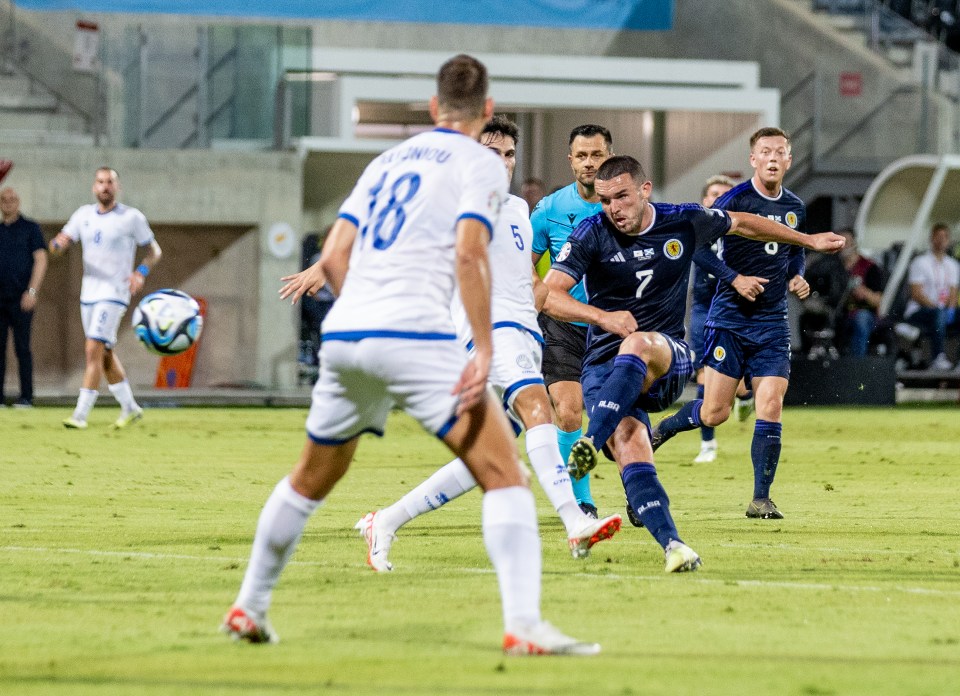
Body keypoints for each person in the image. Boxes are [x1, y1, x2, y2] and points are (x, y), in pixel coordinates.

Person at [221, 55, 599, 656]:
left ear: (432, 108)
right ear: (488, 112)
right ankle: (525, 626)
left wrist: (363, 318)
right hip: (419, 336)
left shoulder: (386, 161)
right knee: (504, 472)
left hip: (346, 336)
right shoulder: (480, 164)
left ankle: (249, 605)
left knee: (310, 476)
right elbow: (470, 256)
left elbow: (335, 256)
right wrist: (480, 346)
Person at [548, 155, 842, 570]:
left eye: (622, 196)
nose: (613, 208)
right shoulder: (591, 233)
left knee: (637, 344)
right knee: (633, 445)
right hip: (603, 367)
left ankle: (590, 443)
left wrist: (807, 241)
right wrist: (601, 317)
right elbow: (548, 295)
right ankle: (674, 547)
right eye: (605, 200)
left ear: (645, 190)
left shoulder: (682, 219)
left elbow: (742, 222)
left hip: (667, 355)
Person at [354, 116, 621, 573]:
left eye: (509, 154)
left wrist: (591, 313)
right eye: (491, 153)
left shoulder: (518, 209)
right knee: (540, 406)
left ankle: (387, 520)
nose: (503, 162)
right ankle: (575, 519)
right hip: (489, 333)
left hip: (524, 331)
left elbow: (533, 285)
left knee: (490, 456)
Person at [649, 127, 819, 521]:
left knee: (771, 405)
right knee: (715, 413)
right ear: (754, 160)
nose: (773, 157)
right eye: (765, 151)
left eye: (780, 151)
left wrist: (797, 275)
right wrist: (734, 278)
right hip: (730, 319)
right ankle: (665, 428)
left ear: (789, 160)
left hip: (773, 323)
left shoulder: (795, 206)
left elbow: (794, 251)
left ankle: (761, 498)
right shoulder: (734, 200)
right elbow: (698, 248)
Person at [530, 124, 614, 518]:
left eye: (596, 155)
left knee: (617, 424)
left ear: (609, 157)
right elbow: (522, 264)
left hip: (610, 327)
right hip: (562, 325)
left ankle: (638, 487)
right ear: (571, 161)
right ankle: (581, 502)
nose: (589, 163)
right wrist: (539, 298)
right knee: (568, 409)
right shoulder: (549, 209)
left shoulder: (624, 206)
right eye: (582, 156)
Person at [49, 168, 161, 429]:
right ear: (93, 187)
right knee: (105, 354)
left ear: (117, 187)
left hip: (115, 293)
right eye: (100, 182)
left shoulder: (131, 217)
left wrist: (140, 272)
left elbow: (154, 251)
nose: (105, 187)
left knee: (92, 349)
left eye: (110, 182)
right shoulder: (83, 215)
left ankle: (80, 415)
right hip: (88, 293)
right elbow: (57, 247)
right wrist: (58, 244)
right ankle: (130, 407)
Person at [0, 187, 47, 407]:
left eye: (12, 199)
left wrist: (32, 291)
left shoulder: (31, 229)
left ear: (18, 203)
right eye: (4, 200)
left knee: (23, 349)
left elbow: (41, 259)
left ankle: (26, 397)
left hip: (22, 299)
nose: (8, 203)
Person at [903, 223, 959, 370]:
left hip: (940, 311)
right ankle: (937, 357)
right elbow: (916, 294)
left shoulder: (952, 265)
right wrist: (938, 308)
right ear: (931, 239)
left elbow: (953, 292)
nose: (941, 240)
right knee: (939, 314)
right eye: (938, 237)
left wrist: (951, 309)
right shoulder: (920, 262)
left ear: (949, 240)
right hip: (919, 311)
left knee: (947, 314)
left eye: (944, 237)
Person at [837, 229, 885, 357]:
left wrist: (865, 293)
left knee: (861, 318)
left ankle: (856, 365)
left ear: (854, 244)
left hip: (863, 313)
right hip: (839, 313)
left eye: (846, 242)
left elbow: (878, 300)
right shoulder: (833, 267)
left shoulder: (870, 267)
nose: (843, 246)